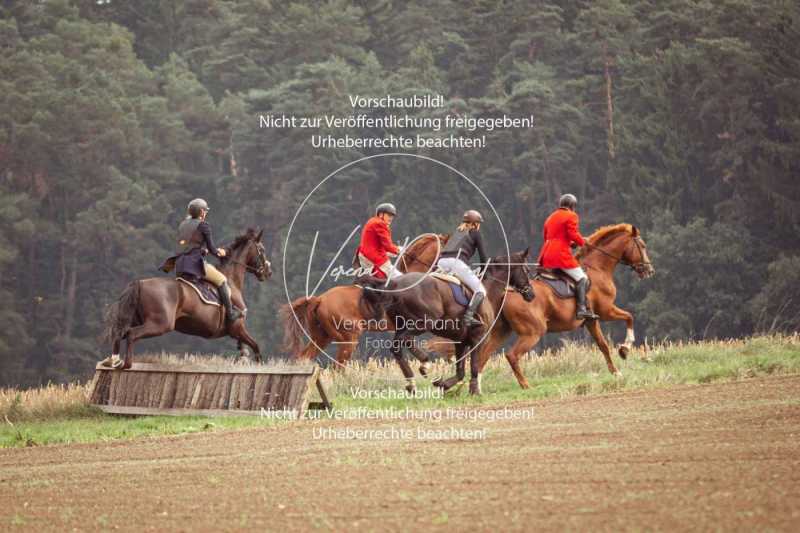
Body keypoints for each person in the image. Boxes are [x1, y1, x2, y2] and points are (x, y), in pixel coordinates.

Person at [174, 198, 241, 324]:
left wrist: (202, 251)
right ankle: (231, 314)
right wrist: (221, 253)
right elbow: (212, 248)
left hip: (180, 265)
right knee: (222, 280)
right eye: (205, 211)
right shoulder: (204, 226)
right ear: (201, 212)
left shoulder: (183, 224)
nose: (205, 213)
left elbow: (188, 245)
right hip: (194, 264)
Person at [537, 193, 597, 319]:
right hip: (560, 255)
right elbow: (573, 233)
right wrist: (583, 242)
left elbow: (549, 237)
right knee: (582, 278)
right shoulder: (571, 215)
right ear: (572, 206)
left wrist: (570, 243)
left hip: (546, 254)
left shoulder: (550, 217)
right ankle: (581, 309)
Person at [437, 210, 488, 327]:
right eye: (479, 223)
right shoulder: (475, 233)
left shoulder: (457, 232)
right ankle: (468, 317)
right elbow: (483, 256)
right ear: (475, 224)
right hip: (456, 263)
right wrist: (484, 271)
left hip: (441, 262)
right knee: (481, 291)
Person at [357, 203, 403, 280]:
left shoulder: (373, 221)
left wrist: (394, 252)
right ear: (381, 214)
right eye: (389, 215)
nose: (391, 218)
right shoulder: (380, 224)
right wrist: (399, 250)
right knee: (400, 278)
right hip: (374, 257)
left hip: (365, 255)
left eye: (392, 216)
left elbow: (379, 245)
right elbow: (388, 246)